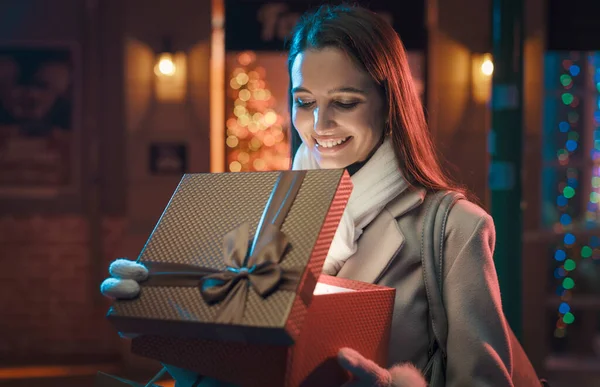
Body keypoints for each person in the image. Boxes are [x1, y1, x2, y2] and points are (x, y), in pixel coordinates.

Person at [102, 4, 515, 386]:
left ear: (389, 104)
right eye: (305, 102)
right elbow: (230, 369)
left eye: (345, 102)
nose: (321, 124)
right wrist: (160, 324)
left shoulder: (454, 228)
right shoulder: (267, 217)